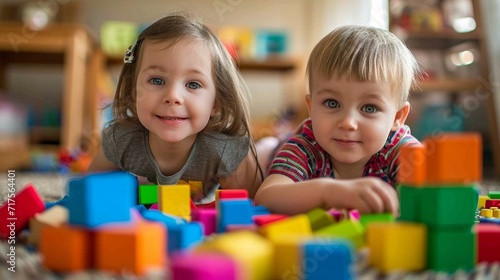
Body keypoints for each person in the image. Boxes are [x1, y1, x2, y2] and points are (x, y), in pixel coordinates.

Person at [88, 14, 263, 202]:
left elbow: (252, 208)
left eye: (193, 84)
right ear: (133, 92)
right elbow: (88, 194)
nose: (173, 97)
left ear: (216, 102)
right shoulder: (121, 141)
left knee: (267, 153)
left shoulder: (226, 150)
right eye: (156, 80)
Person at [254, 25, 422, 216]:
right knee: (252, 161)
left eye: (369, 108)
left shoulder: (400, 149)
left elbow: (438, 193)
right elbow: (265, 198)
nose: (348, 123)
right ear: (311, 107)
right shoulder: (306, 145)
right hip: (273, 152)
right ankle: (269, 145)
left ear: (397, 117)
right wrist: (328, 192)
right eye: (332, 103)